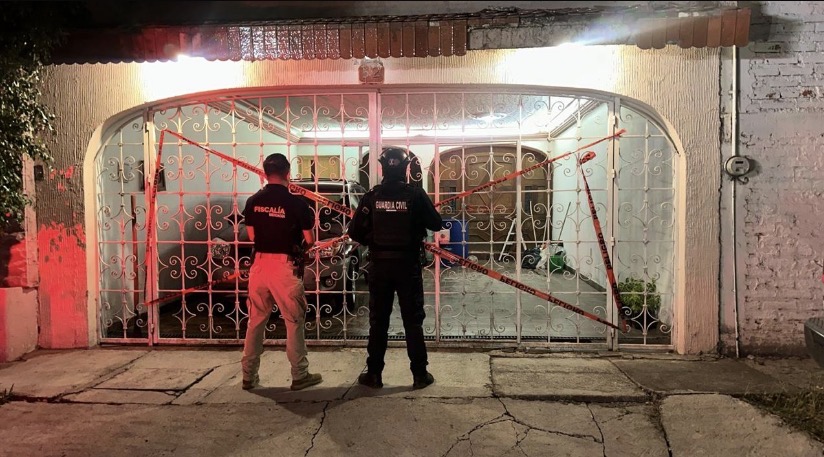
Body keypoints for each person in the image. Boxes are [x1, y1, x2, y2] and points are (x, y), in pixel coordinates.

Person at [347, 146, 443, 389]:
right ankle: (419, 375)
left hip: (380, 266)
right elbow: (436, 223)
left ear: (382, 168)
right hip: (408, 266)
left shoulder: (372, 196)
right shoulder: (415, 195)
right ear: (406, 168)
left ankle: (374, 374)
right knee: (413, 321)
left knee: (378, 321)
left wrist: (373, 238)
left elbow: (354, 231)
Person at [240, 153, 323, 391]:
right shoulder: (297, 204)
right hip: (284, 267)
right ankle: (300, 375)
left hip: (259, 266)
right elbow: (310, 240)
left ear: (266, 173)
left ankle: (248, 376)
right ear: (288, 173)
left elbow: (252, 236)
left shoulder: (253, 200)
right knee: (293, 321)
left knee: (256, 321)